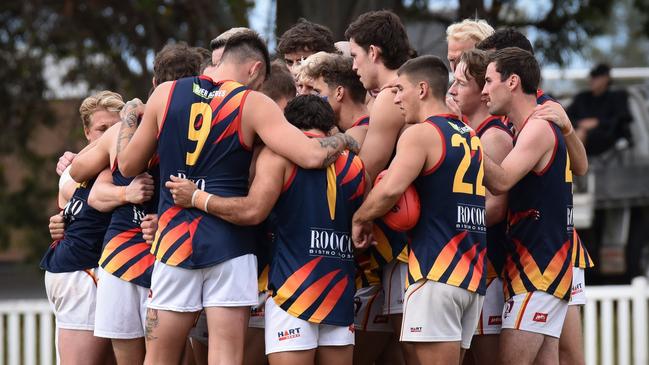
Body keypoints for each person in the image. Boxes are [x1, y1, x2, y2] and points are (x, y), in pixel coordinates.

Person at [115, 31, 358, 365]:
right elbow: (312, 156)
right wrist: (344, 140)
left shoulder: (164, 94)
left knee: (159, 356)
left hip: (173, 241)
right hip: (231, 245)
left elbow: (128, 165)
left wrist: (129, 115)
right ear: (255, 69)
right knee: (226, 356)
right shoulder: (253, 103)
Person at [165, 94, 365, 365]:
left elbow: (252, 211)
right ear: (330, 126)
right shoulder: (355, 164)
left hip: (293, 294)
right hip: (339, 295)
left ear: (288, 127)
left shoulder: (279, 156)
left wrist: (197, 198)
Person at [352, 55, 486, 365]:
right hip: (471, 274)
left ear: (422, 89)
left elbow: (389, 189)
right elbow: (499, 181)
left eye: (400, 89)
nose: (395, 97)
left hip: (436, 272)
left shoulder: (421, 133)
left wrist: (360, 218)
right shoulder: (470, 136)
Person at [301, 51, 406, 365]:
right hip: (364, 270)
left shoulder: (359, 133)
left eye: (311, 89)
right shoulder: (353, 131)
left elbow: (354, 194)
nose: (303, 96)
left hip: (368, 270)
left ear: (337, 92)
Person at [481, 47, 574, 365]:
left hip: (540, 271)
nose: (483, 90)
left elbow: (502, 180)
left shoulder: (536, 127)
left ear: (512, 82)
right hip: (537, 270)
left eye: (489, 80)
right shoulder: (529, 126)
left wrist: (465, 143)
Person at [344, 13, 417, 360]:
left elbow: (366, 171)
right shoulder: (411, 86)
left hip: (409, 244)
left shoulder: (392, 94)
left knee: (415, 351)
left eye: (356, 56)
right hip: (418, 241)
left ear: (374, 52)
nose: (353, 67)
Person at [41, 91, 125, 365]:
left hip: (99, 270)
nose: (110, 135)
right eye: (102, 129)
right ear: (87, 132)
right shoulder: (74, 170)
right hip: (81, 270)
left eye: (116, 127)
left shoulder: (126, 163)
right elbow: (73, 200)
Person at [448, 49, 513, 365]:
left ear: (482, 92)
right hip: (465, 263)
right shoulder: (462, 131)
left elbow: (496, 207)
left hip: (488, 268)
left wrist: (448, 221)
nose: (452, 90)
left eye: (461, 83)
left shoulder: (494, 136)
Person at [567, 63, 632, 156]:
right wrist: (580, 124)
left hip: (606, 138)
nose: (592, 80)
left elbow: (622, 119)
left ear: (606, 79)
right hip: (577, 135)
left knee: (579, 134)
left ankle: (570, 166)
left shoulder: (617, 96)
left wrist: (598, 122)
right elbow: (567, 116)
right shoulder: (582, 98)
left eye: (596, 77)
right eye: (592, 77)